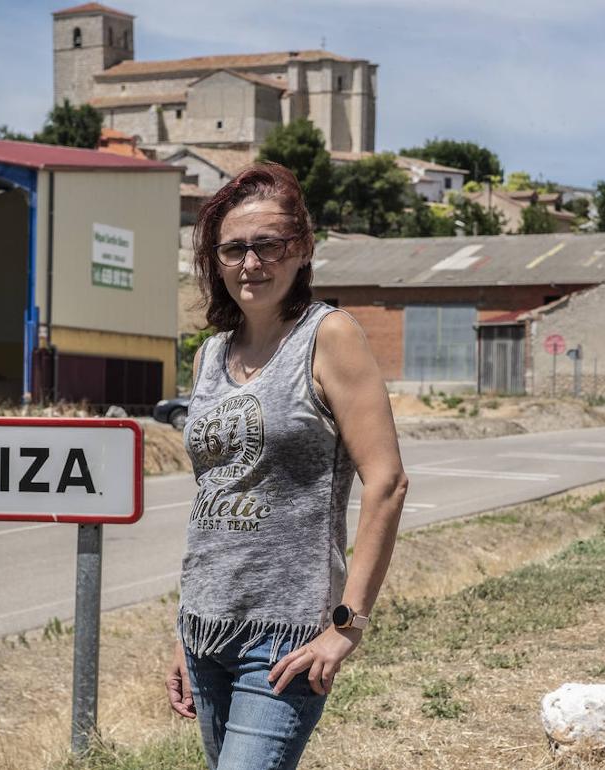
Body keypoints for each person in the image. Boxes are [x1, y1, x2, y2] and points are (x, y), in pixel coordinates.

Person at [164, 162, 408, 769]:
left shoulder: (329, 337)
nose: (250, 263)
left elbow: (388, 482)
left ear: (302, 249)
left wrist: (347, 624)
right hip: (206, 630)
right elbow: (211, 499)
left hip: (286, 636)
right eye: (233, 248)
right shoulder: (210, 356)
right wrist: (184, 632)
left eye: (267, 244)